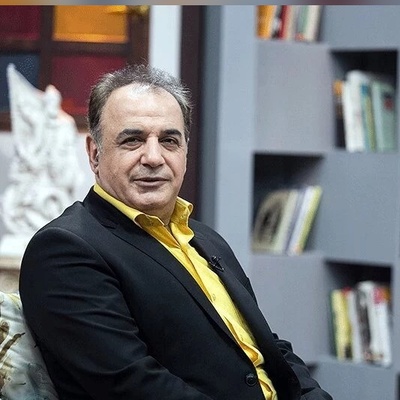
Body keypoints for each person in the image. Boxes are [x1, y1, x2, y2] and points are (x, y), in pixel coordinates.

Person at [19, 64, 332, 400]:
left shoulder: (206, 239)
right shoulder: (64, 249)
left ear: (184, 153)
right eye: (133, 140)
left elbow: (267, 345)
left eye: (169, 140)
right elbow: (132, 386)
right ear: (95, 154)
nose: (153, 157)